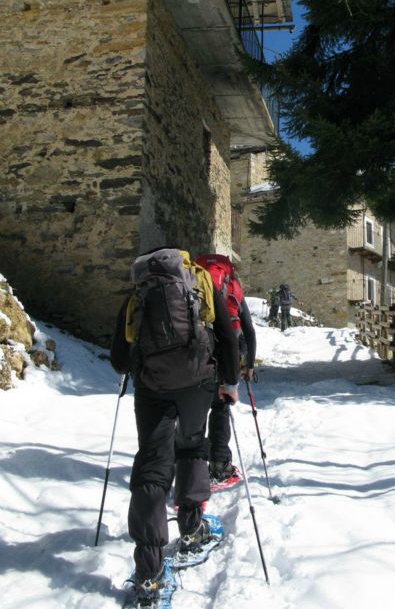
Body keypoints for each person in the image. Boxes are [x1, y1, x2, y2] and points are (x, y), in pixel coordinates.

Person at [110, 247, 239, 608]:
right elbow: (227, 336)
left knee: (152, 465)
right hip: (198, 382)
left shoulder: (138, 291)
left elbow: (119, 360)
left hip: (152, 389)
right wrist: (229, 382)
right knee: (193, 445)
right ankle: (192, 528)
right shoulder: (199, 280)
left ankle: (149, 573)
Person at [194, 255, 257, 482]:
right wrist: (248, 365)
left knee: (195, 410)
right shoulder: (233, 288)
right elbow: (248, 329)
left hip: (198, 353)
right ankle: (220, 465)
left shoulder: (194, 282)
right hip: (226, 355)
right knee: (220, 407)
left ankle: (193, 466)